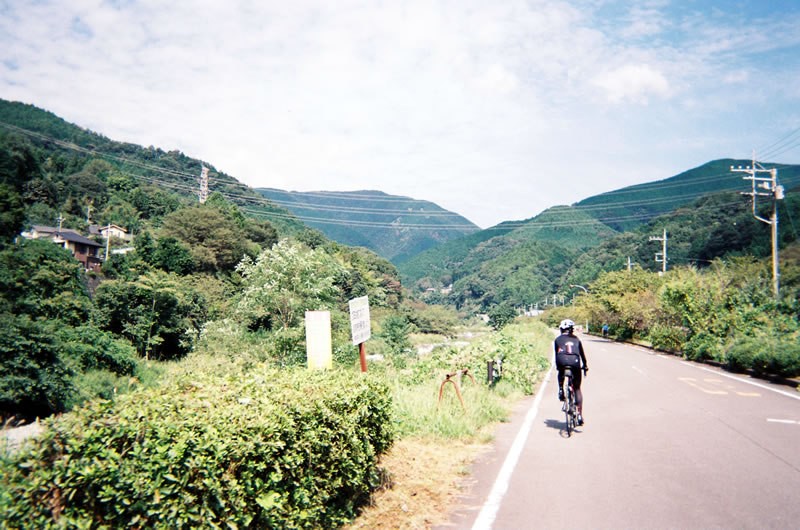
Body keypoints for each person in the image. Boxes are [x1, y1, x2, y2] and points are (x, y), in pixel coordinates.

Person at [554, 319, 588, 425]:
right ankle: (580, 415)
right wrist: (585, 366)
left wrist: (558, 366)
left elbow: (556, 353)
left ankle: (560, 389)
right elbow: (582, 355)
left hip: (561, 361)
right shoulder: (576, 339)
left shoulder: (557, 339)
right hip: (575, 362)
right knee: (577, 388)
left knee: (561, 371)